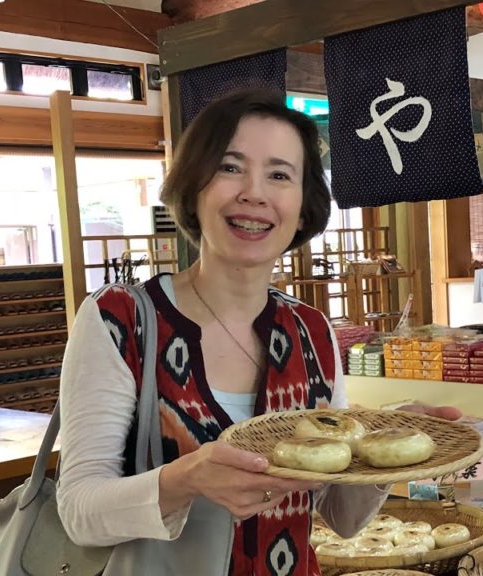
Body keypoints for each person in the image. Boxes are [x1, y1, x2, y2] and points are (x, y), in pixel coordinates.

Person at [56, 88, 390, 575]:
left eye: (279, 175)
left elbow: (339, 516)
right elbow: (79, 513)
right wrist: (185, 478)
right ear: (194, 187)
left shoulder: (311, 331)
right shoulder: (122, 319)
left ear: (302, 205)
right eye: (231, 167)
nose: (254, 192)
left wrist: (386, 456)